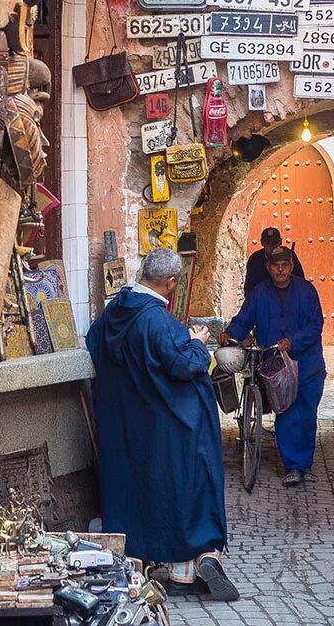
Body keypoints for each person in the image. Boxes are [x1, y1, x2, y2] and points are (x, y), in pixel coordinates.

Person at [85, 248, 237, 600]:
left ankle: (167, 566)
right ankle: (194, 562)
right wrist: (198, 344)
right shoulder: (160, 322)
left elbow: (96, 346)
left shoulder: (113, 312)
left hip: (126, 422)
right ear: (171, 283)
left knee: (142, 490)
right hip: (167, 423)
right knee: (188, 483)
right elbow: (183, 366)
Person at [225, 246, 325, 487]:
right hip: (276, 367)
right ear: (268, 268)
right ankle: (293, 466)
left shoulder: (307, 291)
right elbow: (244, 320)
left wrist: (293, 341)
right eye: (275, 265)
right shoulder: (259, 294)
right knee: (286, 414)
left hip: (308, 364)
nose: (280, 269)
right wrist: (229, 333)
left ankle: (305, 465)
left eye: (284, 265)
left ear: (291, 266)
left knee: (308, 415)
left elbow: (315, 325)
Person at [244, 226, 306, 297]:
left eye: (275, 242)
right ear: (262, 242)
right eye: (268, 242)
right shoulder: (255, 259)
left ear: (280, 242)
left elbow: (300, 281)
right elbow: (250, 288)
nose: (272, 246)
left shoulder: (290, 255)